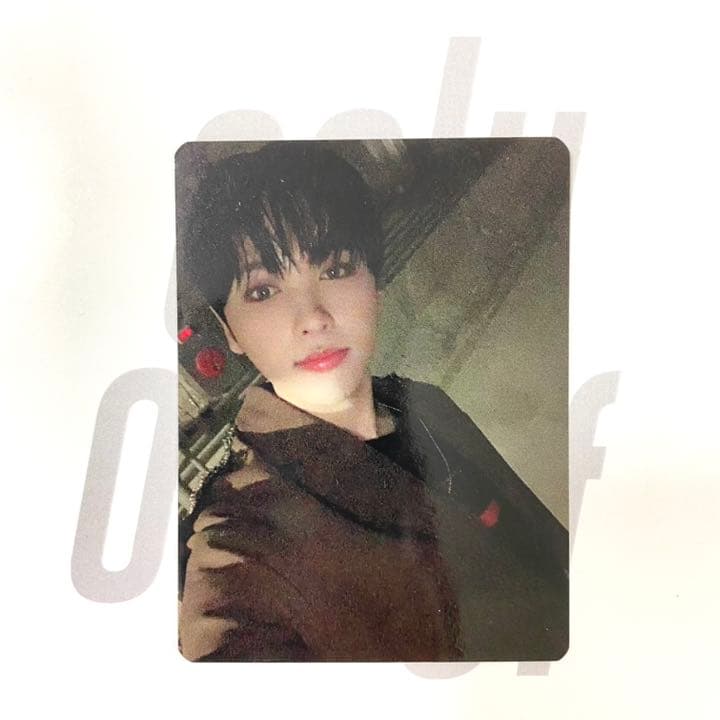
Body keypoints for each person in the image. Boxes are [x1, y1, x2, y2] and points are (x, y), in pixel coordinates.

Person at [177, 142, 568, 662]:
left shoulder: (423, 404)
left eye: (336, 268)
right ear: (229, 331)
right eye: (264, 291)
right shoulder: (245, 537)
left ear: (374, 285)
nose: (312, 317)